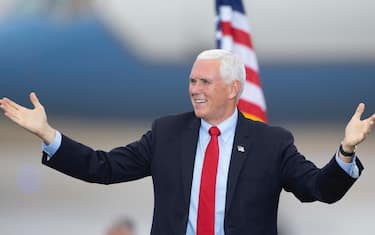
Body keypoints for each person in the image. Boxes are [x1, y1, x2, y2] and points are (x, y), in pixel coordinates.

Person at [0, 49, 374, 235]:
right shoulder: (166, 133)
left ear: (233, 89)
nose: (194, 90)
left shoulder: (271, 143)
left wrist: (345, 151)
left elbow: (317, 190)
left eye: (205, 83)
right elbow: (105, 167)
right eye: (192, 81)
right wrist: (48, 135)